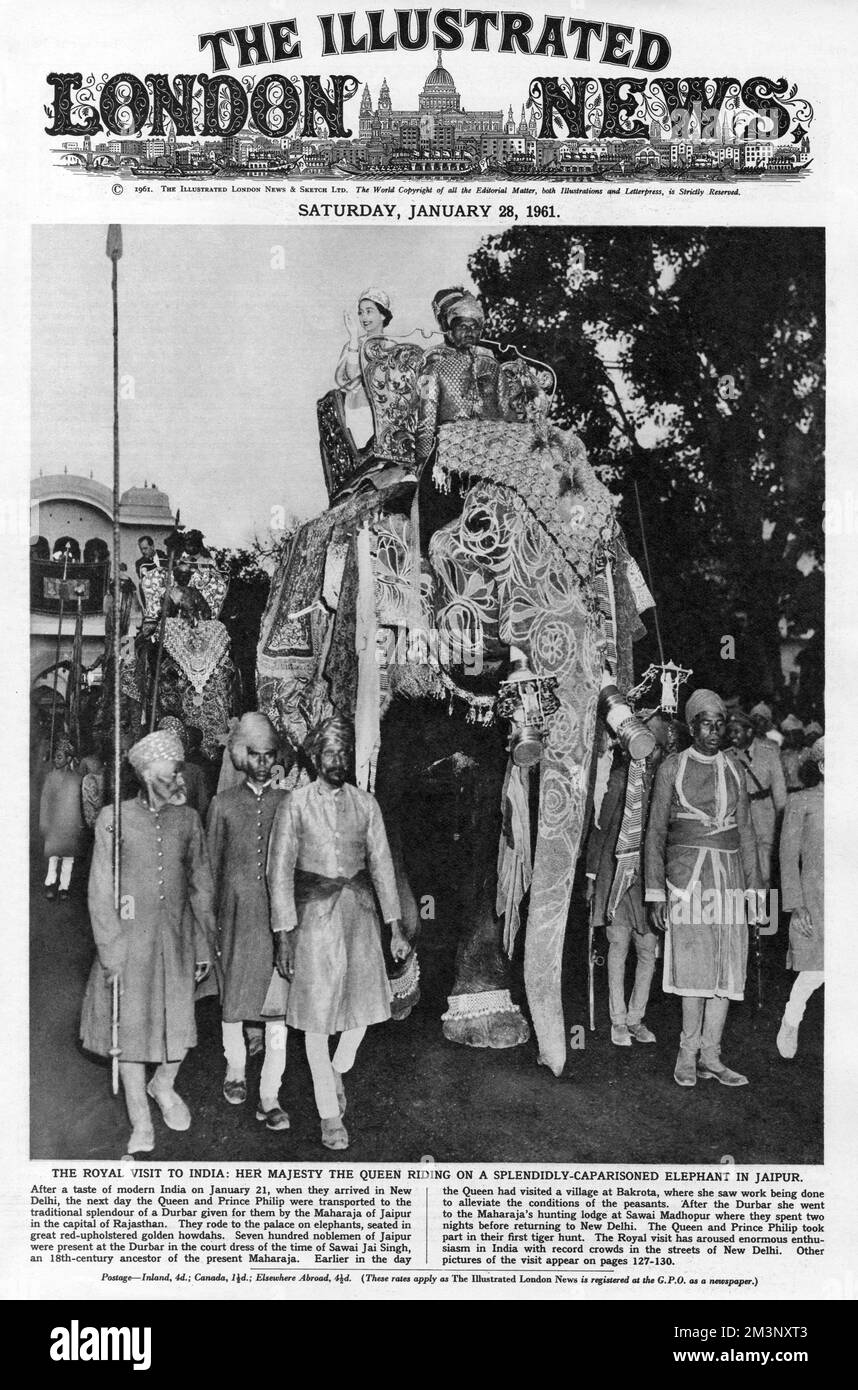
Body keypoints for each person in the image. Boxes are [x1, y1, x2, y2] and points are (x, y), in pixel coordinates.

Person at [266, 715, 410, 1150]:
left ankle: (337, 1067)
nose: (337, 761)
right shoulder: (295, 803)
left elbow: (382, 866)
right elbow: (278, 873)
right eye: (329, 753)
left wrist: (395, 927)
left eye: (344, 753)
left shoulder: (366, 804)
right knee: (315, 1021)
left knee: (365, 1010)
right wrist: (284, 934)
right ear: (314, 758)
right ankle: (329, 1114)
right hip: (312, 922)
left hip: (359, 917)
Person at [79, 729, 215, 1156]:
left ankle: (165, 1085)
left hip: (176, 940)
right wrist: (111, 950)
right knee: (132, 1029)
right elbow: (100, 891)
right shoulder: (111, 819)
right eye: (171, 773)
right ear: (146, 774)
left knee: (180, 1025)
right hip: (128, 943)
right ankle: (140, 1118)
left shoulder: (190, 820)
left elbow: (201, 888)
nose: (180, 781)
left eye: (180, 772)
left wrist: (203, 943)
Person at [645, 689, 761, 1088]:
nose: (715, 731)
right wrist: (656, 893)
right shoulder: (671, 768)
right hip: (686, 881)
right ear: (692, 726)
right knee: (694, 969)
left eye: (720, 723)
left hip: (728, 877)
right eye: (706, 724)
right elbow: (656, 832)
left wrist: (755, 893)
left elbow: (746, 832)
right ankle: (688, 1052)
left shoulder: (735, 768)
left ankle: (713, 1055)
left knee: (727, 967)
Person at [206, 713, 290, 1129]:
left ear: (276, 758)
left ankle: (270, 1093)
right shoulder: (222, 805)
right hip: (234, 920)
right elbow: (210, 871)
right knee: (233, 1001)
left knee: (278, 1009)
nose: (260, 762)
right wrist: (211, 926)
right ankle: (235, 1070)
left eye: (267, 756)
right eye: (253, 755)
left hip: (277, 923)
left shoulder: (288, 803)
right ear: (241, 756)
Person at [585, 715, 669, 1045]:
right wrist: (592, 878)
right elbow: (601, 829)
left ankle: (636, 1018)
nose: (651, 754)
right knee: (618, 946)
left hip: (649, 879)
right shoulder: (619, 780)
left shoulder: (665, 785)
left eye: (658, 748)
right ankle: (617, 1021)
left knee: (647, 950)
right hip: (615, 874)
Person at [777, 737, 824, 1059]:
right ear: (822, 766)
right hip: (815, 899)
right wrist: (796, 906)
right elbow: (787, 856)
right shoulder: (801, 801)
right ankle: (791, 1020)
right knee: (816, 972)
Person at [726, 708, 786, 887]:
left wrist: (782, 820)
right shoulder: (727, 756)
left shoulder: (769, 752)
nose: (732, 736)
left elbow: (780, 790)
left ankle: (764, 904)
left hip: (765, 815)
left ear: (749, 731)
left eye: (736, 731)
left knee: (766, 863)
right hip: (740, 815)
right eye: (730, 731)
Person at [334, 288, 392, 449]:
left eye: (369, 311)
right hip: (360, 412)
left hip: (388, 416)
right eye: (360, 313)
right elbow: (351, 381)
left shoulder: (393, 347)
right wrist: (353, 337)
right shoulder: (354, 345)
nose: (364, 317)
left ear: (383, 314)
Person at [39, 737, 86, 901]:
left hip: (71, 824)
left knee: (68, 858)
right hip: (54, 823)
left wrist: (80, 824)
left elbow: (81, 803)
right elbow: (45, 802)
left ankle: (64, 887)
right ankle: (50, 885)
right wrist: (44, 822)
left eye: (60, 757)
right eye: (56, 756)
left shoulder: (78, 779)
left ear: (69, 759)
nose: (56, 760)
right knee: (53, 857)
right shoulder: (50, 777)